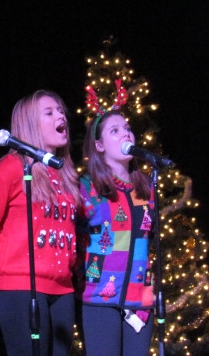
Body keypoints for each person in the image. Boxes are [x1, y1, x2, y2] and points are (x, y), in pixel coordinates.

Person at [0, 90, 82, 356]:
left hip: (62, 288)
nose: (60, 115)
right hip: (19, 287)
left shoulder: (66, 175)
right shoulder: (12, 168)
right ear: (30, 123)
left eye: (61, 111)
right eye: (49, 112)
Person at [77, 108, 155, 356]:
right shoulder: (88, 187)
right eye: (115, 130)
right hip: (100, 298)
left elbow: (149, 239)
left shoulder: (146, 188)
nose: (126, 133)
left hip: (139, 298)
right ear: (99, 145)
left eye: (128, 128)